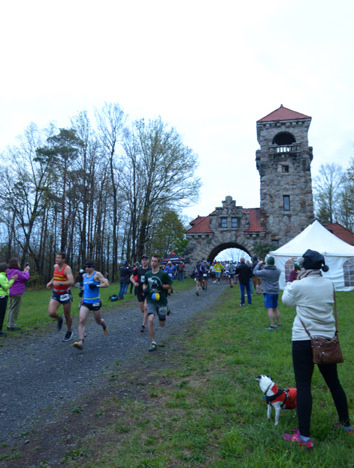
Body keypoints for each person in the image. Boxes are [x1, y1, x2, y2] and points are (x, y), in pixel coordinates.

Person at [281, 249, 352, 449]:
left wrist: (292, 279)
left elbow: (286, 301)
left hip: (304, 339)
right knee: (334, 383)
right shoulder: (329, 284)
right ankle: (346, 424)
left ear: (303, 265)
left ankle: (304, 436)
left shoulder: (298, 285)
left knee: (303, 386)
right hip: (327, 339)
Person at [73, 260, 109, 350]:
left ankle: (104, 325)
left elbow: (106, 284)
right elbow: (86, 286)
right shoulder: (84, 275)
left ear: (92, 267)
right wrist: (82, 290)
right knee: (81, 320)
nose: (86, 268)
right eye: (85, 267)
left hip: (95, 302)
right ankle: (81, 341)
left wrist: (96, 286)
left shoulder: (97, 274)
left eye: (88, 266)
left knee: (98, 321)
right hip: (85, 302)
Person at [143, 255, 172, 352]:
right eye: (152, 261)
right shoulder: (147, 274)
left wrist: (161, 286)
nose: (152, 263)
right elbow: (145, 284)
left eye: (155, 261)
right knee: (150, 319)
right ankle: (153, 342)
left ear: (159, 263)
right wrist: (145, 289)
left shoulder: (163, 274)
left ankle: (166, 310)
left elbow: (170, 286)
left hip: (162, 301)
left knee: (162, 324)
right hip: (151, 300)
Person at [46, 252, 75, 341]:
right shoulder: (55, 267)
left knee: (67, 314)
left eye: (59, 258)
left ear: (63, 259)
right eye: (56, 257)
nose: (56, 259)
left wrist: (61, 283)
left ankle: (69, 331)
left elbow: (71, 281)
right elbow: (55, 276)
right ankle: (59, 319)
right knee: (51, 313)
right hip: (56, 293)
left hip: (65, 294)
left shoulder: (67, 269)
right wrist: (51, 282)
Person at [253, 257, 281, 329]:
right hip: (276, 291)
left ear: (267, 262)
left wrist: (259, 264)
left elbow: (254, 272)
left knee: (269, 308)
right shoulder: (278, 271)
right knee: (275, 308)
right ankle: (279, 323)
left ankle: (272, 325)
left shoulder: (265, 271)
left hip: (268, 292)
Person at [6, 258, 30, 331]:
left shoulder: (9, 271)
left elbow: (19, 276)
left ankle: (9, 323)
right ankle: (11, 326)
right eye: (18, 262)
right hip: (17, 292)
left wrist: (23, 272)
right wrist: (27, 271)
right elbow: (25, 278)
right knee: (15, 309)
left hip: (10, 291)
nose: (19, 264)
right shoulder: (17, 271)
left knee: (11, 308)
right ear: (15, 264)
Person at [130, 254, 150, 332]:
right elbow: (131, 277)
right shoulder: (138, 269)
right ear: (141, 261)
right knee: (142, 309)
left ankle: (143, 325)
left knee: (146, 307)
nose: (144, 261)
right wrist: (134, 283)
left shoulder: (150, 270)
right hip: (139, 290)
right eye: (143, 260)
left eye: (145, 260)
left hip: (147, 290)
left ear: (148, 261)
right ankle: (146, 315)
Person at [0, 263, 18, 337]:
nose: (8, 270)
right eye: (7, 269)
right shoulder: (1, 277)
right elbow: (6, 286)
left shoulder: (3, 276)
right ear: (4, 269)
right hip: (1, 297)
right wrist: (13, 280)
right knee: (1, 315)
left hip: (3, 296)